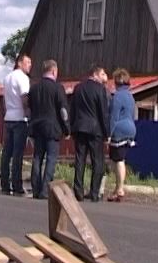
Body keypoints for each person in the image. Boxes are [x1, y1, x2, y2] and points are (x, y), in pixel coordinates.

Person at [28, 59, 70, 200]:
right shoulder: (58, 88)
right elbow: (63, 111)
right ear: (53, 71)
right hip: (53, 128)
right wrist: (67, 129)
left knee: (37, 157)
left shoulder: (33, 88)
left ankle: (35, 188)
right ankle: (46, 190)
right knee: (51, 159)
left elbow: (30, 108)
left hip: (37, 127)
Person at [70, 63, 110, 202]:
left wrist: (72, 128)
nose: (103, 78)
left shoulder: (78, 88)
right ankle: (94, 192)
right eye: (102, 74)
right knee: (97, 161)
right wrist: (107, 133)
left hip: (80, 128)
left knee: (80, 159)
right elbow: (103, 113)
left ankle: (78, 191)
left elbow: (72, 109)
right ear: (95, 74)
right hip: (96, 130)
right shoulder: (101, 90)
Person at [0, 54, 32, 195]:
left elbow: (3, 99)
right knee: (18, 153)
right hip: (19, 118)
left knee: (6, 153)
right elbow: (24, 98)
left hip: (9, 117)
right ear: (20, 63)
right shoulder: (23, 78)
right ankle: (17, 184)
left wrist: (6, 113)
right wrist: (28, 113)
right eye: (28, 62)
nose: (30, 65)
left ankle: (5, 183)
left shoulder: (7, 78)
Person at [107, 68, 136, 202]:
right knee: (119, 159)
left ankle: (120, 188)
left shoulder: (117, 96)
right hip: (131, 128)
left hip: (119, 130)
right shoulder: (130, 96)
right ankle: (117, 188)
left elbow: (113, 117)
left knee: (118, 160)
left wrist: (108, 134)